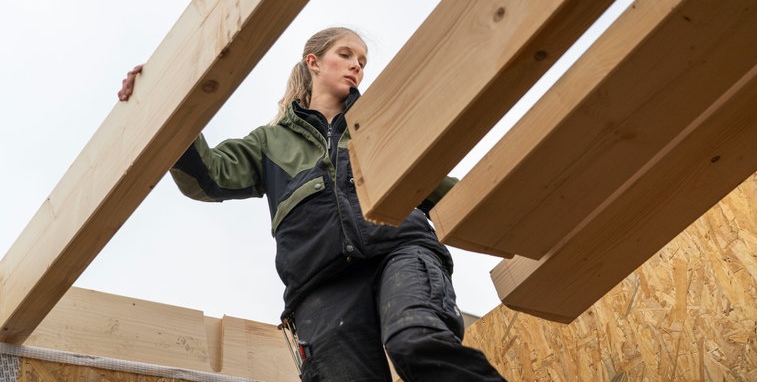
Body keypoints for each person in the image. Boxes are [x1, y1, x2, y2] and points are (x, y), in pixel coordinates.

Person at [118, 27, 506, 382]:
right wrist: (161, 105)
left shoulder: (379, 125)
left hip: (399, 252)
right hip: (320, 287)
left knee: (415, 338)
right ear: (314, 62)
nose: (357, 66)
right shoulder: (270, 143)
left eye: (362, 61)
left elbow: (453, 194)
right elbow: (209, 177)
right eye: (346, 54)